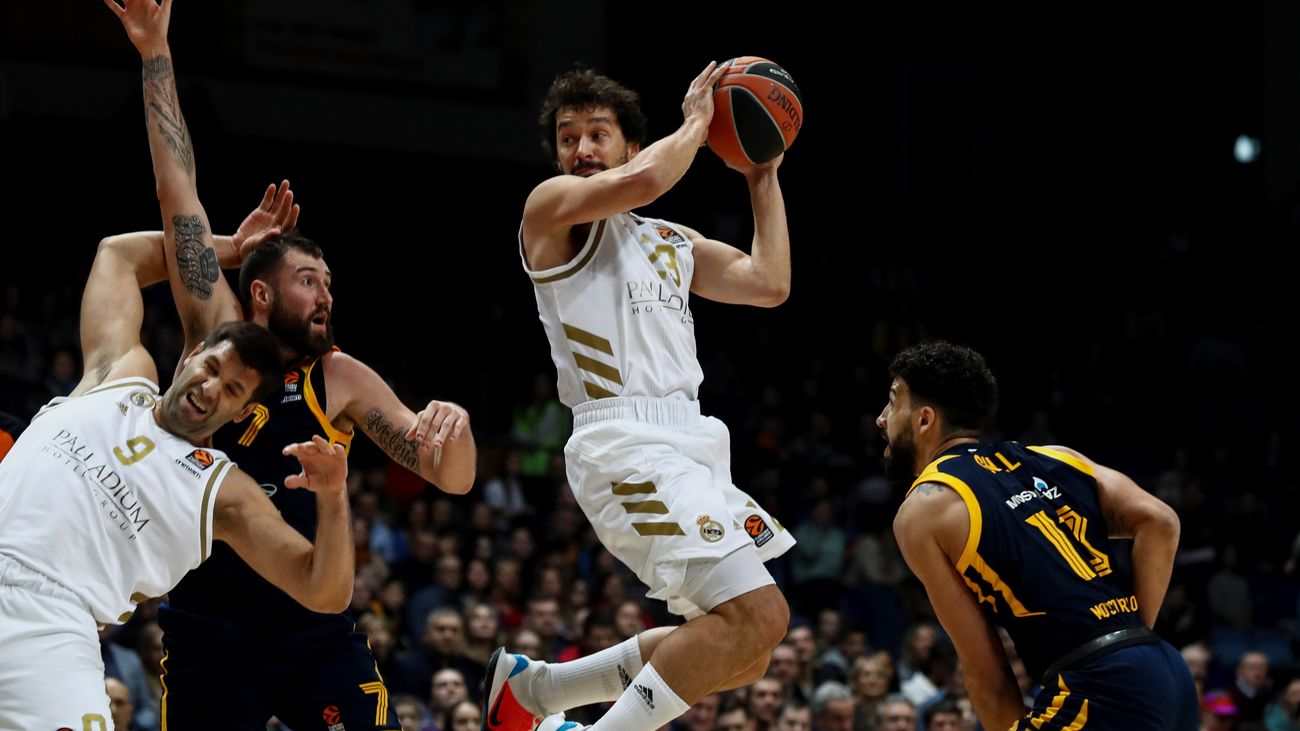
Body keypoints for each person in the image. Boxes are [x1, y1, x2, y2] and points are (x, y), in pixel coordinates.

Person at [104, 1, 478, 728]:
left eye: (331, 285)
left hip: (314, 628)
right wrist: (156, 52)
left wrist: (454, 425)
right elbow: (176, 188)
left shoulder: (338, 375)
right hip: (208, 630)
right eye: (311, 279)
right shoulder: (211, 335)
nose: (326, 295)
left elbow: (452, 475)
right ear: (263, 292)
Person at [483, 62, 794, 731]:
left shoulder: (670, 241)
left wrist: (761, 173)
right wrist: (697, 125)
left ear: (628, 142)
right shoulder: (551, 211)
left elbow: (769, 282)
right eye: (568, 137)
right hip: (622, 442)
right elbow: (651, 179)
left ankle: (535, 690)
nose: (581, 150)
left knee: (745, 651)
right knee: (761, 614)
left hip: (695, 442)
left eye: (598, 134)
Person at [0, 176, 352, 731]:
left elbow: (323, 591)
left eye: (233, 391)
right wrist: (231, 249)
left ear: (240, 414)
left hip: (55, 626)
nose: (211, 388)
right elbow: (117, 254)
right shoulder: (120, 373)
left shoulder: (220, 489)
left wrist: (333, 498)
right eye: (212, 368)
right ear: (192, 355)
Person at [880, 341, 1198, 730]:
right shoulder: (1057, 458)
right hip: (1167, 671)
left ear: (924, 419)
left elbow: (986, 669)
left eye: (893, 402)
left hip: (1098, 687)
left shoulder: (926, 508)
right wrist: (1132, 635)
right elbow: (1160, 521)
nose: (882, 418)